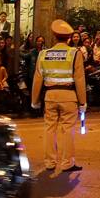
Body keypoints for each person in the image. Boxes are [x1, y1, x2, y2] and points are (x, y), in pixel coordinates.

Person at [31, 20, 86, 173]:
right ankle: (67, 163)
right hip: (69, 96)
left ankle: (50, 162)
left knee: (49, 129)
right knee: (67, 129)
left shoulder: (44, 54)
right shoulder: (75, 53)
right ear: (69, 37)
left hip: (50, 96)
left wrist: (34, 100)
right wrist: (83, 102)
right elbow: (79, 79)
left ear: (54, 36)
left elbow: (37, 79)